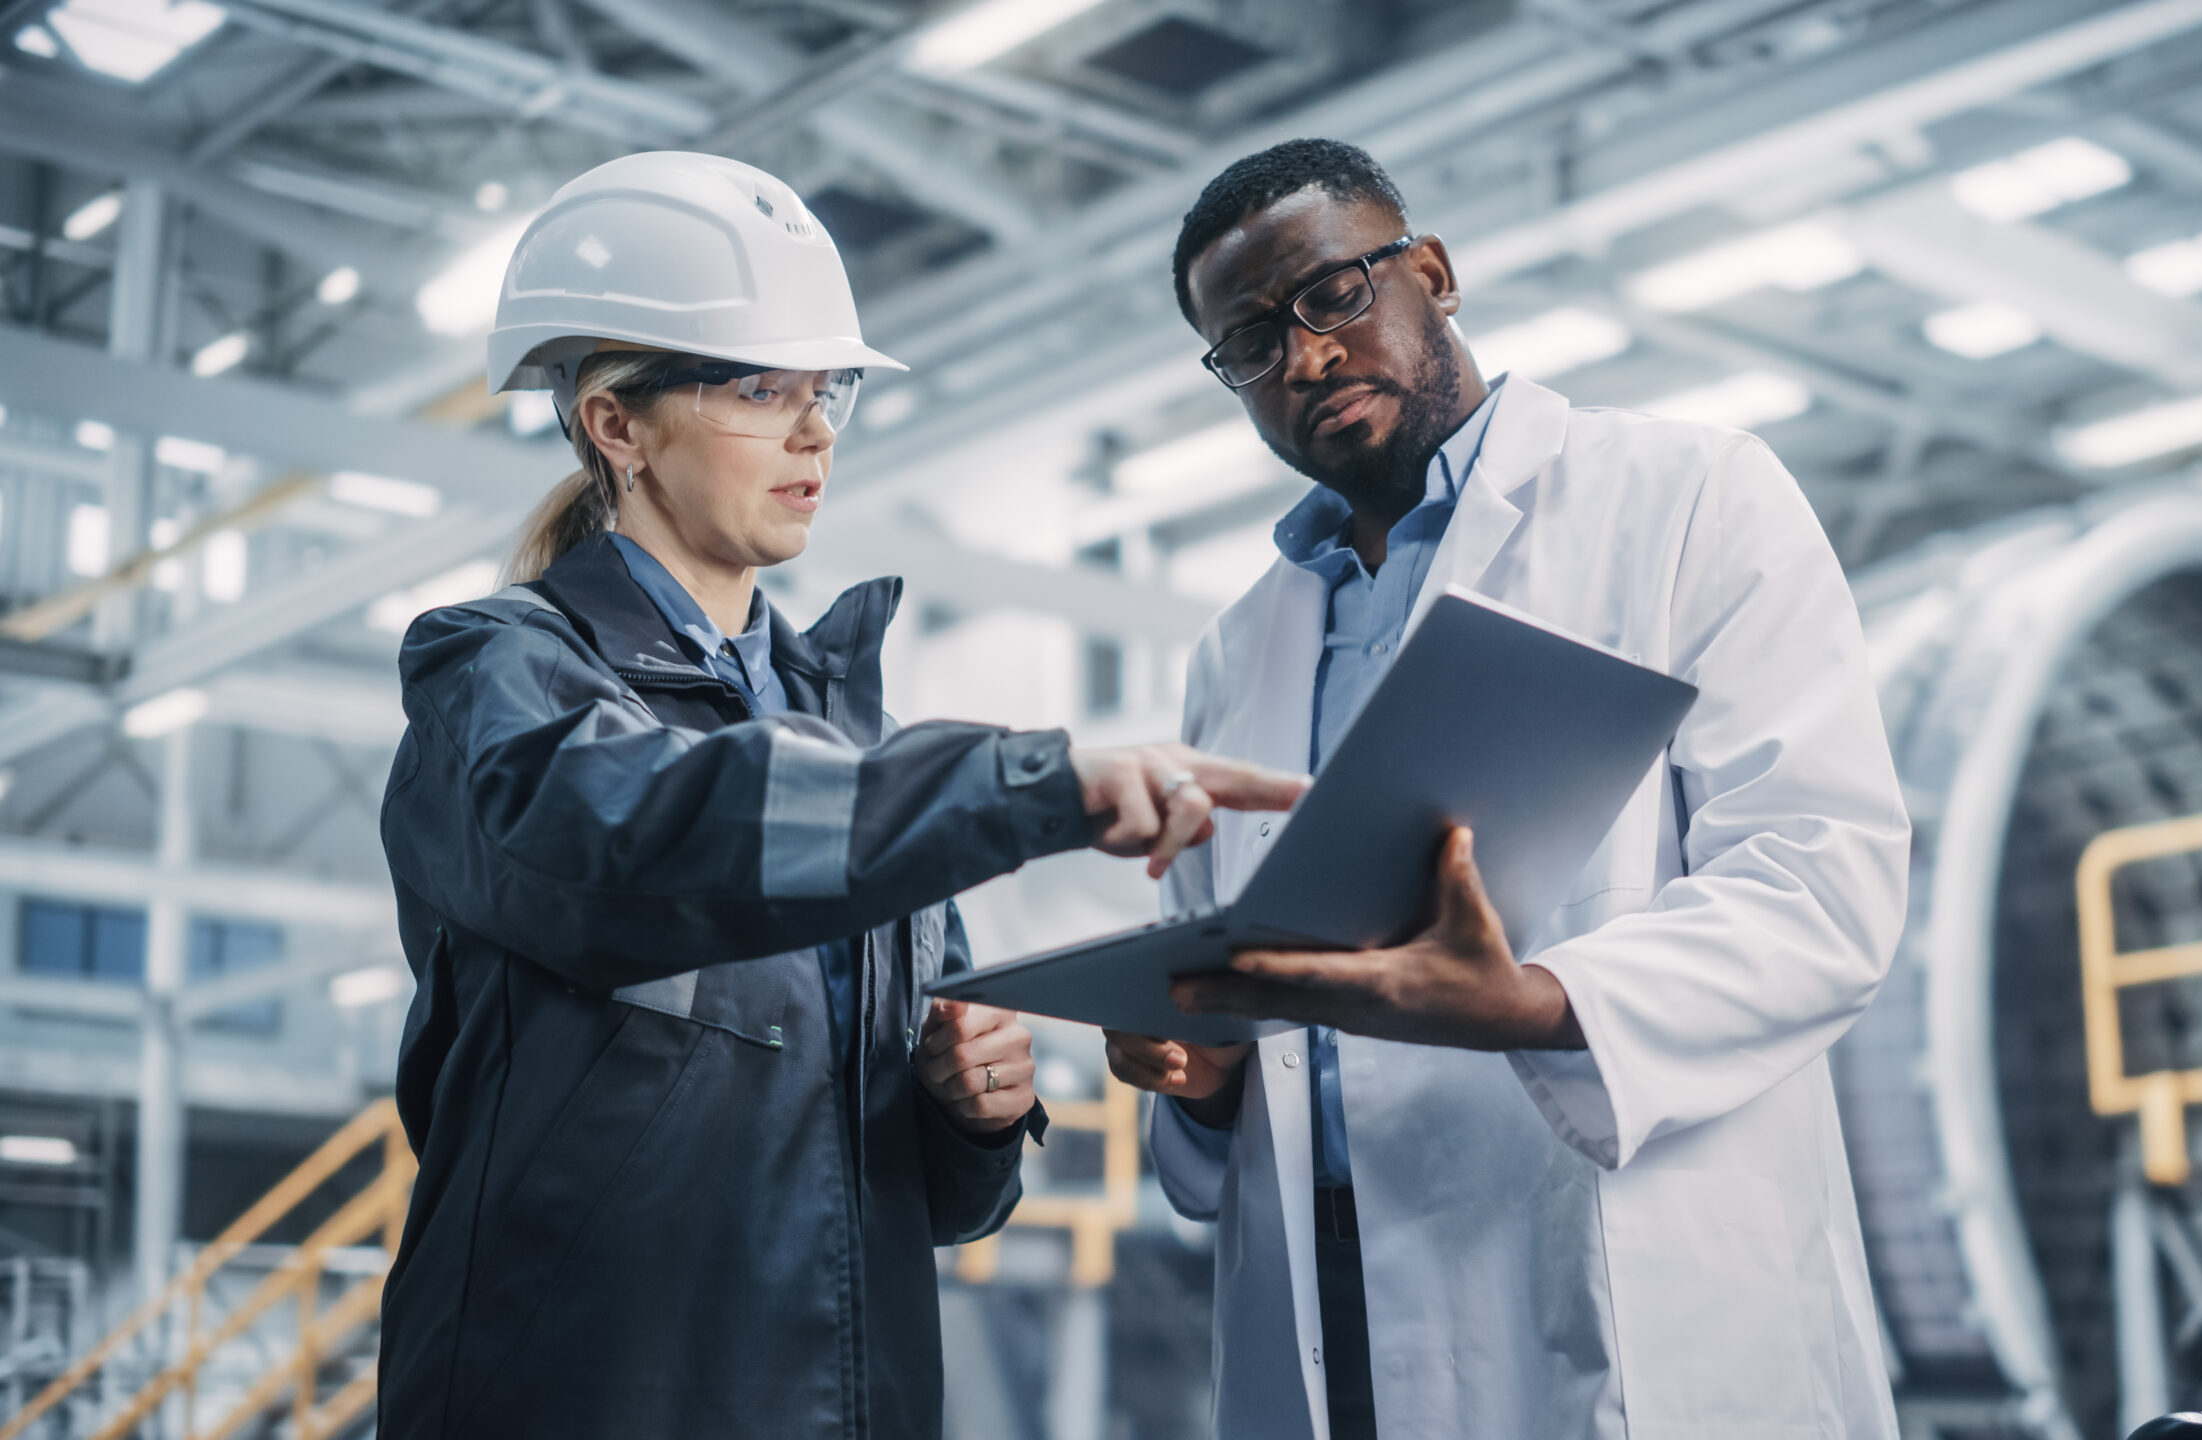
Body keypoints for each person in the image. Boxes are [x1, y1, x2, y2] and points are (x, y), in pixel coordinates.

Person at [375, 151, 1304, 1440]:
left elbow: (931, 1203)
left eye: (829, 390)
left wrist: (970, 1111)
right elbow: (642, 833)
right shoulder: (499, 675)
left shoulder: (846, 737)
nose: (815, 430)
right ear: (616, 423)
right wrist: (1030, 780)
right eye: (762, 389)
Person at [1102, 139, 1913, 1438]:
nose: (1306, 357)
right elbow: (1241, 1005)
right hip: (1333, 1331)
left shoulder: (1686, 499)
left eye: (1334, 295)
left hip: (1614, 1296)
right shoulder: (1233, 654)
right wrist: (1195, 1080)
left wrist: (1539, 1003)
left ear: (1431, 272)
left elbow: (1823, 885)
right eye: (1250, 342)